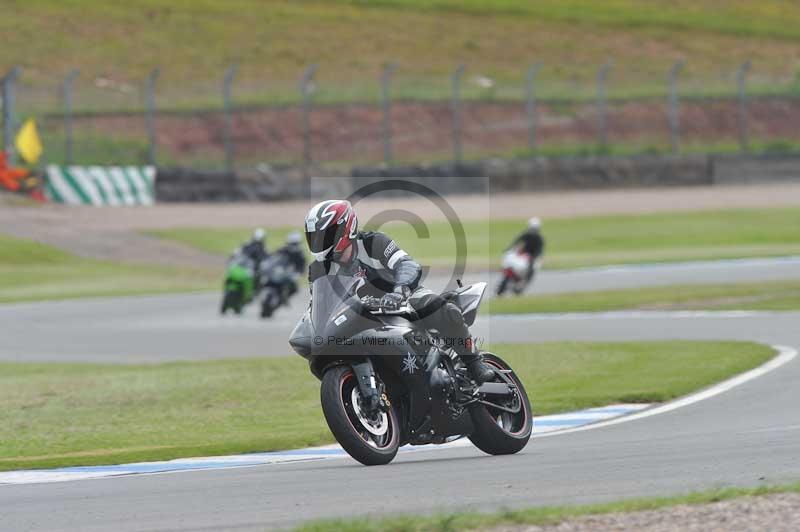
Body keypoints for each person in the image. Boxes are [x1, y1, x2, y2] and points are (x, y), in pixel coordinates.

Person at [303, 199, 495, 383]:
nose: (319, 242)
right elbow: (320, 304)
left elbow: (407, 264)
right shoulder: (318, 269)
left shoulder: (373, 243)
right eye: (315, 237)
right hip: (361, 316)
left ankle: (473, 363)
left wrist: (399, 289)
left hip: (401, 300)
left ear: (345, 229)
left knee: (443, 309)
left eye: (325, 235)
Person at [508, 217, 545, 283]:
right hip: (525, 252)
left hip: (533, 254)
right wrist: (510, 248)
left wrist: (536, 257)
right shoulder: (526, 234)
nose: (533, 230)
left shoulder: (539, 238)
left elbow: (540, 249)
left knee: (531, 266)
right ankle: (514, 275)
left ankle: (525, 280)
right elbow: (517, 241)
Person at [276, 232, 306, 299]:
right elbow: (275, 258)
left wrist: (299, 273)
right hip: (280, 271)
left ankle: (284, 298)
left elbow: (302, 266)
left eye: (295, 244)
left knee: (294, 288)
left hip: (289, 273)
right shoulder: (283, 250)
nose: (293, 246)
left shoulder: (300, 254)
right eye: (292, 244)